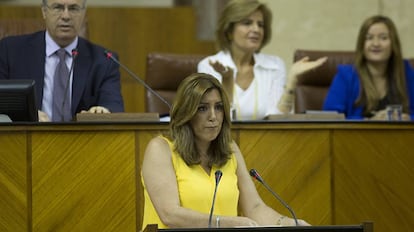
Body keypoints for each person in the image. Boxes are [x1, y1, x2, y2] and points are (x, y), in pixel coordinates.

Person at [141, 73, 309, 229]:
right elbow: (170, 215)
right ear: (186, 113)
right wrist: (226, 222)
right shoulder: (160, 149)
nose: (213, 116)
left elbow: (254, 208)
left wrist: (288, 223)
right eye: (202, 108)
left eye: (219, 107)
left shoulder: (230, 149)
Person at [197, 0, 327, 120]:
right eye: (247, 23)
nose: (256, 29)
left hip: (266, 140)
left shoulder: (274, 65)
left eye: (260, 25)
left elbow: (278, 119)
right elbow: (214, 119)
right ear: (229, 31)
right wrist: (227, 81)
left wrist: (291, 81)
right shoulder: (208, 66)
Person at [0, 0, 124, 122]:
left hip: (82, 140)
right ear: (44, 11)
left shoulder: (104, 60)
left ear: (84, 12)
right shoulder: (10, 51)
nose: (66, 16)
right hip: (28, 139)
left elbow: (114, 105)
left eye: (73, 8)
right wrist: (28, 116)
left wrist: (103, 112)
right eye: (58, 7)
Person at [323, 15, 414, 120]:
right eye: (369, 38)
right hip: (357, 136)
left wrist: (407, 119)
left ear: (393, 44)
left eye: (383, 38)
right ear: (362, 44)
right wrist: (369, 122)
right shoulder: (346, 76)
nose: (376, 44)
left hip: (400, 136)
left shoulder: (406, 72)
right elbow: (330, 119)